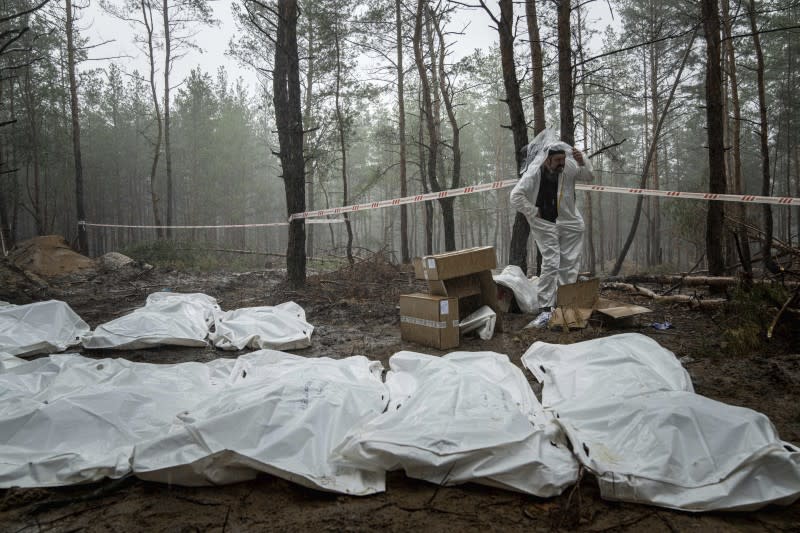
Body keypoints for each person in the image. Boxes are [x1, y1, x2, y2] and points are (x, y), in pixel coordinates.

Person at [510, 128, 594, 328]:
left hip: (567, 220)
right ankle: (545, 310)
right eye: (557, 161)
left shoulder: (569, 166)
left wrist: (583, 160)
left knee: (569, 263)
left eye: (563, 161)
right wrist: (532, 210)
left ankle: (564, 306)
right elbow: (515, 196)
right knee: (551, 261)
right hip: (543, 222)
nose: (561, 165)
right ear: (547, 160)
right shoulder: (533, 173)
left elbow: (589, 176)